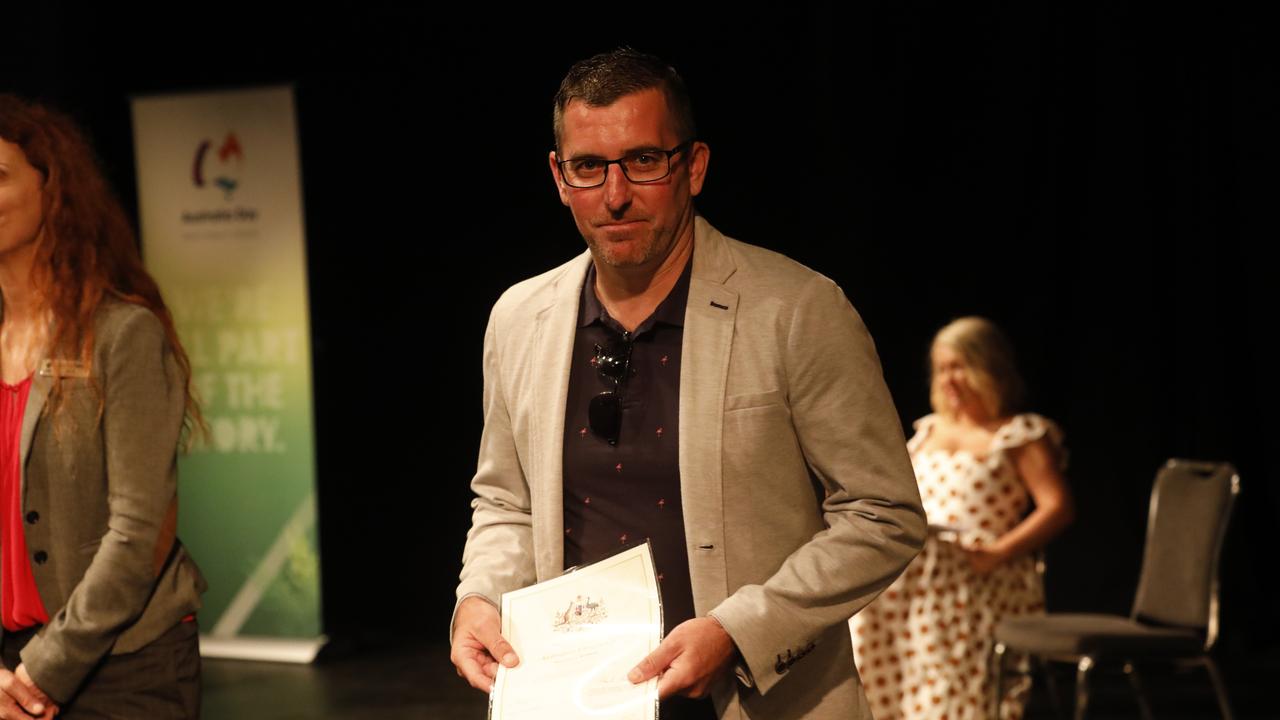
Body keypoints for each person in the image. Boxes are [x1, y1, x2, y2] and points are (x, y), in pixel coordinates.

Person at [449, 48, 926, 720]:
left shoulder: (797, 310)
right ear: (559, 176)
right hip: (577, 702)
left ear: (693, 166)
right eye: (589, 167)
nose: (615, 195)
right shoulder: (518, 318)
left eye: (644, 160)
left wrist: (739, 633)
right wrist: (480, 600)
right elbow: (506, 501)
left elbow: (884, 514)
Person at [0, 95, 206, 718]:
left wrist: (42, 672)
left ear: (52, 188)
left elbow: (139, 533)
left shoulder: (121, 333)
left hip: (122, 666)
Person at [850, 316, 1074, 720]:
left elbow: (1057, 507)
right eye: (942, 368)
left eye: (960, 367)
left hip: (980, 570)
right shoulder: (927, 432)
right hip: (913, 571)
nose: (949, 379)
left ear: (991, 370)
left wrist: (996, 553)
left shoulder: (1018, 434)